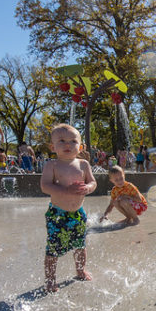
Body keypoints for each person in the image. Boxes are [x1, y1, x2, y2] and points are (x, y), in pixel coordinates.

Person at [40, 124, 97, 291]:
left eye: (73, 141)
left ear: (80, 147)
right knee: (53, 248)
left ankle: (80, 270)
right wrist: (65, 190)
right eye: (62, 141)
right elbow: (45, 186)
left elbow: (93, 182)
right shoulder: (52, 165)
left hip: (78, 214)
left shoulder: (84, 164)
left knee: (80, 245)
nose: (67, 144)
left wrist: (88, 188)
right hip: (58, 214)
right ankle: (50, 279)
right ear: (52, 147)